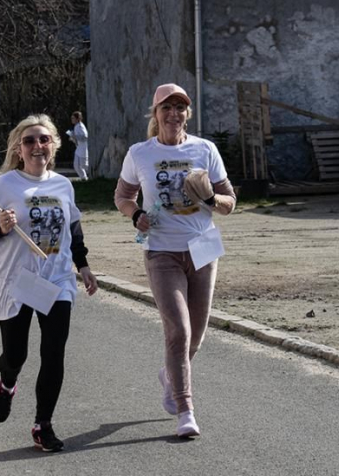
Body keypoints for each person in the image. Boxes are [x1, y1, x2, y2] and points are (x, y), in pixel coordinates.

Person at [114, 83, 236, 438]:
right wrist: (136, 214)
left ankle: (170, 373)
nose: (173, 114)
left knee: (195, 336)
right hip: (162, 250)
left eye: (180, 108)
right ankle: (185, 410)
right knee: (178, 331)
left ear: (187, 114)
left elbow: (229, 202)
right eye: (166, 108)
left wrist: (210, 199)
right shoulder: (140, 153)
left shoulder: (205, 149)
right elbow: (122, 196)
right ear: (155, 114)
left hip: (203, 249)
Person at [0, 114, 99, 453]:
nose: (37, 146)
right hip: (18, 282)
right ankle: (7, 383)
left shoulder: (63, 185)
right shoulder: (5, 185)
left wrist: (83, 266)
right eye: (29, 141)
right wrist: (0, 227)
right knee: (16, 354)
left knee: (53, 353)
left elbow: (72, 228)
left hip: (56, 280)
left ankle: (43, 424)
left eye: (44, 139)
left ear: (54, 145)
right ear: (19, 149)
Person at [65, 111, 89, 181]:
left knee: (84, 165)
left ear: (77, 119)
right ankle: (84, 179)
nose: (72, 120)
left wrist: (74, 136)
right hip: (79, 149)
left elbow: (85, 137)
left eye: (73, 118)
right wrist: (72, 138)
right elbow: (77, 140)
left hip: (83, 149)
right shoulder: (76, 126)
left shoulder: (80, 126)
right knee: (76, 166)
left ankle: (86, 178)